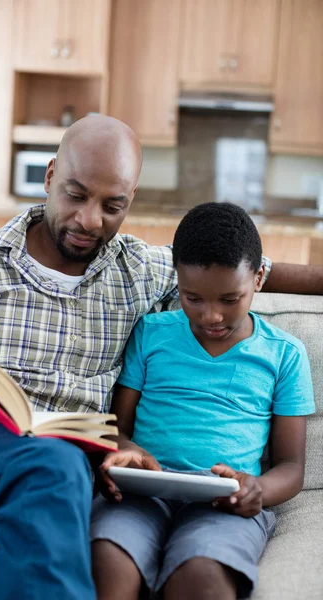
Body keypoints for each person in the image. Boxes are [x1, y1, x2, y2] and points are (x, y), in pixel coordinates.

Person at [0, 115, 320, 598]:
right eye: (75, 194)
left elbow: (253, 270)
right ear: (49, 178)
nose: (91, 220)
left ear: (130, 201)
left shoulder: (139, 268)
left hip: (46, 479)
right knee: (57, 465)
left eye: (112, 206)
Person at [91, 202, 315, 600]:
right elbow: (118, 428)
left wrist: (256, 490)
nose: (211, 316)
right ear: (177, 281)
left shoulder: (285, 354)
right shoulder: (152, 333)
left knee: (201, 577)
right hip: (143, 494)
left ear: (259, 278)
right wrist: (124, 450)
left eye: (229, 299)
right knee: (109, 560)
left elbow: (292, 466)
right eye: (194, 299)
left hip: (224, 506)